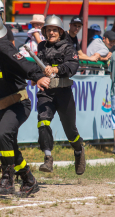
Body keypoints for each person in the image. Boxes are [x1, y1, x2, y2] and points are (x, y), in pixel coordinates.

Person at [0, 11, 50, 196]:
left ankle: (7, 181)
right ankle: (28, 180)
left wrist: (38, 76)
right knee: (7, 142)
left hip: (17, 103)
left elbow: (21, 62)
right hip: (2, 104)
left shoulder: (2, 47)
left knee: (3, 135)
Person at [35, 15, 86, 175]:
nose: (51, 33)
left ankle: (79, 150)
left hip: (63, 93)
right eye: (48, 30)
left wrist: (55, 69)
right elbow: (37, 67)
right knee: (42, 123)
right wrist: (37, 76)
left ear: (60, 31)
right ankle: (48, 158)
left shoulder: (68, 46)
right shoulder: (41, 46)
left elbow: (73, 66)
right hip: (46, 93)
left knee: (71, 133)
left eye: (54, 30)